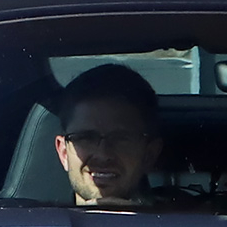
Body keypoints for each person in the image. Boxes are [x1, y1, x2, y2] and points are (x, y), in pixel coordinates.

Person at [52, 63, 163, 207]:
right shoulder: (31, 225)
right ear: (64, 152)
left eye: (120, 139)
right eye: (86, 138)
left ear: (149, 154)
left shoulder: (186, 224)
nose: (103, 155)